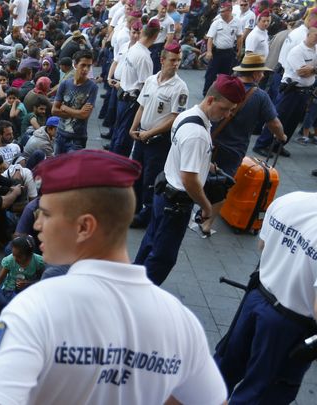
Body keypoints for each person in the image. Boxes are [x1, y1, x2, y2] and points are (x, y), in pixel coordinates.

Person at [0, 149, 228, 405]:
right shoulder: (182, 323)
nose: (36, 225)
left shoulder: (36, 308)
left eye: (46, 214)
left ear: (83, 227)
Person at [135, 75, 246, 285]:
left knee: (150, 243)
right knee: (163, 258)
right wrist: (205, 207)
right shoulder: (197, 133)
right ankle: (139, 297)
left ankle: (130, 284)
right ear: (211, 100)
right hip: (175, 204)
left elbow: (181, 153)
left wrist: (206, 164)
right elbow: (189, 179)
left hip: (164, 193)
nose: (228, 115)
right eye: (225, 109)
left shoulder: (189, 115)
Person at [213, 191, 317, 404]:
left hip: (257, 298)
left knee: (222, 371)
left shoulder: (289, 200)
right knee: (260, 394)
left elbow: (262, 246)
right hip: (288, 325)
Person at [199, 53, 286, 234]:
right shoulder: (260, 96)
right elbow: (274, 123)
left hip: (211, 140)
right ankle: (207, 223)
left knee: (202, 176)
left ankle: (200, 209)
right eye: (261, 73)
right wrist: (282, 136)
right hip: (234, 149)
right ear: (254, 74)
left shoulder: (224, 85)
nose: (263, 76)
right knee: (222, 187)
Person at [129, 42, 189, 229]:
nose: (176, 64)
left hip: (157, 139)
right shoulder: (151, 80)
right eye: (173, 60)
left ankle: (146, 215)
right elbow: (142, 106)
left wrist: (150, 133)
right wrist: (134, 127)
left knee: (150, 178)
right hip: (142, 135)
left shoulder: (180, 88)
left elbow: (174, 118)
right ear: (162, 60)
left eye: (178, 60)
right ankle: (134, 208)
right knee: (136, 174)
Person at [252, 25, 317, 159]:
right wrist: (314, 70)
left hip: (304, 92)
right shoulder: (297, 51)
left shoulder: (315, 50)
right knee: (279, 118)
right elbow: (301, 72)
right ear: (308, 35)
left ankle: (278, 145)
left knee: (292, 121)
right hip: (292, 90)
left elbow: (308, 71)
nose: (316, 39)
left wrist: (311, 69)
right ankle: (262, 144)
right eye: (315, 36)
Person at [110, 20, 159, 157]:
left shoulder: (134, 48)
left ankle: (111, 161)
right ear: (155, 37)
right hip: (131, 102)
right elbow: (145, 86)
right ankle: (117, 166)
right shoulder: (144, 57)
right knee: (124, 138)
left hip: (123, 96)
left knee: (118, 132)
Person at [51, 50, 98, 154]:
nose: (86, 69)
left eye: (89, 66)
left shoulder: (92, 87)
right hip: (60, 134)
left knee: (71, 168)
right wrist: (78, 112)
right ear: (75, 64)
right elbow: (54, 110)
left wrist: (65, 108)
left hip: (77, 138)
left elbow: (84, 115)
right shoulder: (65, 84)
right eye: (83, 65)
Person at [203, 2, 243, 95]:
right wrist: (209, 51)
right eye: (220, 11)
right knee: (211, 74)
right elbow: (210, 38)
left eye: (223, 11)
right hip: (217, 52)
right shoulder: (217, 22)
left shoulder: (237, 22)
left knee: (226, 75)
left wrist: (239, 50)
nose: (221, 13)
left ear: (230, 11)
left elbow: (239, 37)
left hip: (229, 52)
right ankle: (207, 93)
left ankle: (222, 93)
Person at [0, 235, 44, 300]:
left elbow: (41, 280)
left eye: (19, 256)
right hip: (9, 288)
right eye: (13, 254)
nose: (14, 258)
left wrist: (27, 283)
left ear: (29, 255)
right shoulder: (10, 260)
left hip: (28, 290)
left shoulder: (37, 262)